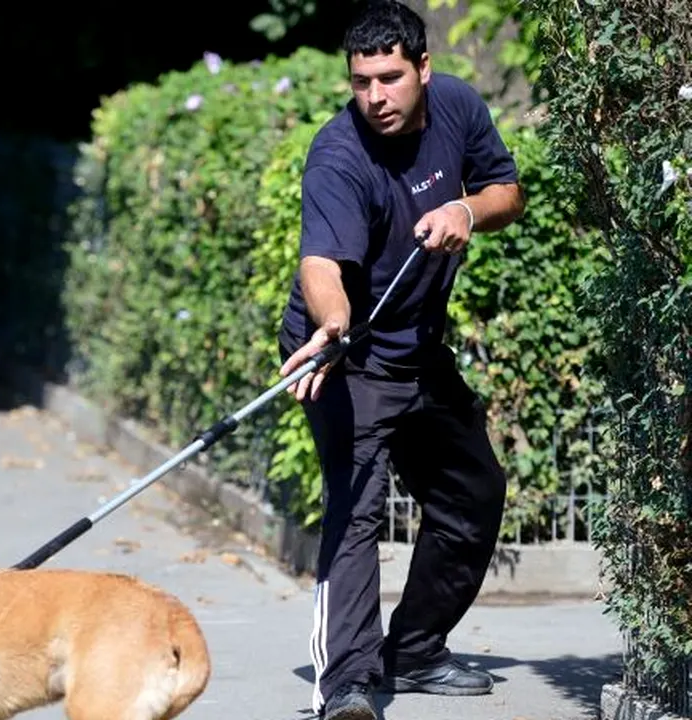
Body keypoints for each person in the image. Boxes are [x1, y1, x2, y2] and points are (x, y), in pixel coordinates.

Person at [275, 2, 525, 719]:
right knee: (356, 511)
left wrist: (467, 212)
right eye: (360, 81)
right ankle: (348, 686)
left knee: (472, 493)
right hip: (341, 354)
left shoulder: (458, 107)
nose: (375, 97)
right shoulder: (339, 155)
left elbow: (508, 192)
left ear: (423, 68)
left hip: (419, 348)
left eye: (389, 77)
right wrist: (332, 322)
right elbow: (322, 264)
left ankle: (412, 653)